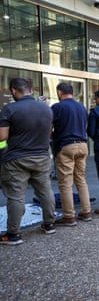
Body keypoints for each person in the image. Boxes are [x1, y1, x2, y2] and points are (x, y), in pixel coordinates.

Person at [0, 78, 56, 244]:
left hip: (16, 159)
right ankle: (49, 224)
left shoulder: (9, 109)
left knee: (16, 196)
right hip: (42, 157)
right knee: (45, 191)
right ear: (31, 91)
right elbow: (50, 133)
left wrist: (3, 148)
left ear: (13, 91)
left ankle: (13, 234)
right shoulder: (47, 110)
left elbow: (2, 138)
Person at [52, 82, 92, 226]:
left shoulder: (57, 107)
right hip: (83, 145)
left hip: (66, 146)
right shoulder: (81, 107)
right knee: (81, 179)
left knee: (65, 183)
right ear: (72, 93)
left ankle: (69, 216)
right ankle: (86, 212)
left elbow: (49, 127)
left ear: (59, 92)